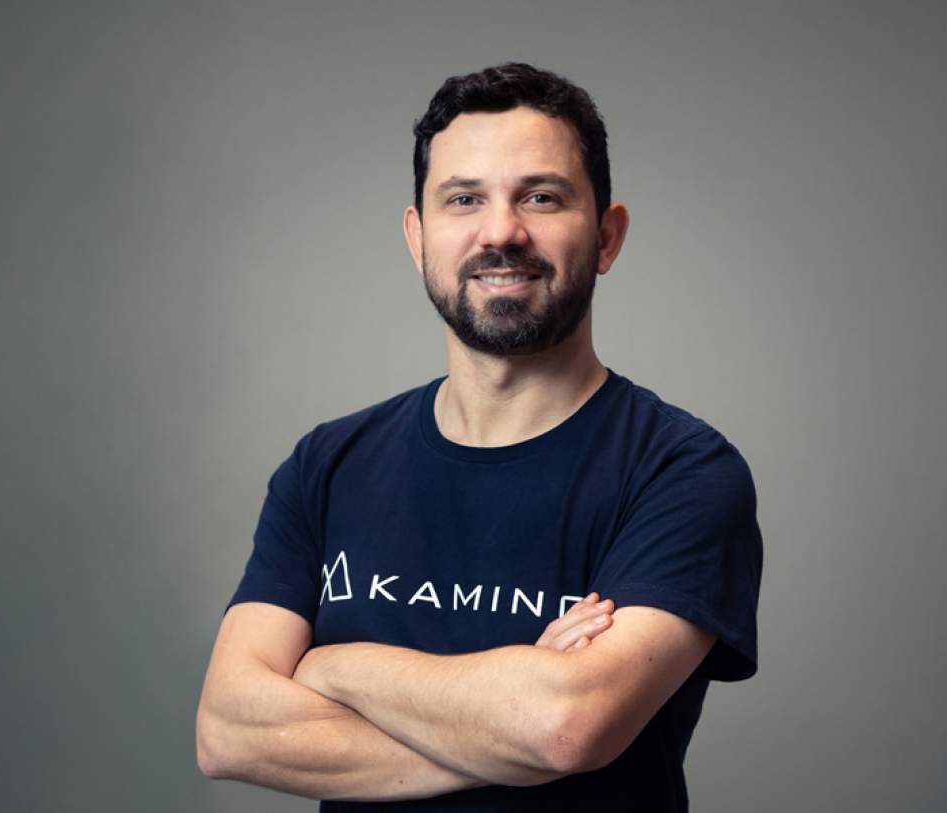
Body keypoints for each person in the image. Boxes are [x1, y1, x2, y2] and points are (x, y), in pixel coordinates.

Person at [196, 62, 763, 811]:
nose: (501, 232)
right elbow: (228, 730)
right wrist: (511, 713)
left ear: (606, 236)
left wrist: (333, 668)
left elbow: (565, 726)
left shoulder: (681, 472)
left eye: (541, 196)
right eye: (464, 199)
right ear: (418, 237)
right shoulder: (326, 466)